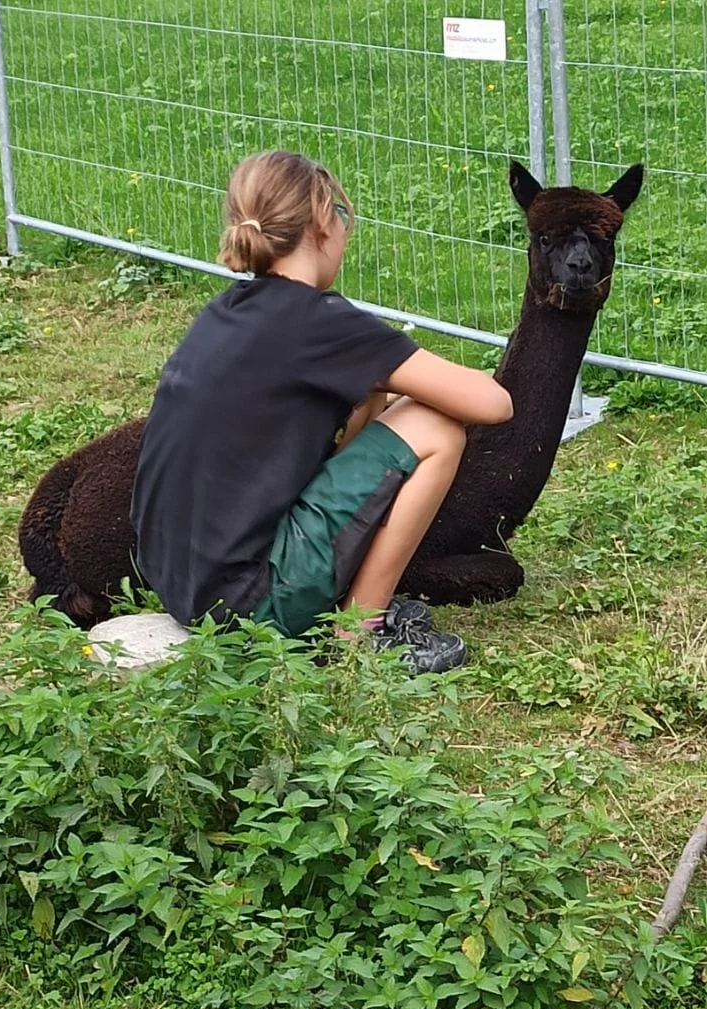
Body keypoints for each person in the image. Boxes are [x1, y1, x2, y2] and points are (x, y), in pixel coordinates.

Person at [130, 150, 513, 674]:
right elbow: (493, 402)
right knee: (435, 424)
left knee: (383, 401)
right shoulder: (322, 323)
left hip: (181, 585)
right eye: (343, 214)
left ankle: (333, 602)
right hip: (250, 606)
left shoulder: (225, 311)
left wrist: (377, 383)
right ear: (322, 221)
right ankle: (362, 634)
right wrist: (390, 368)